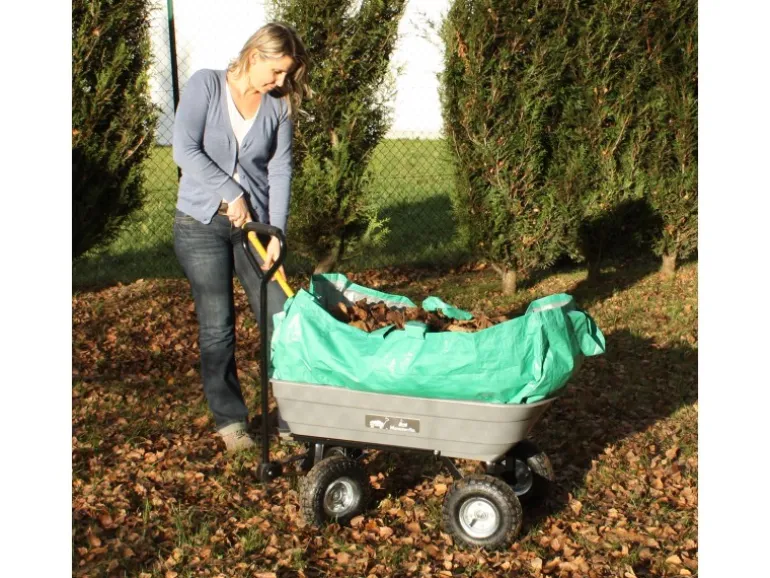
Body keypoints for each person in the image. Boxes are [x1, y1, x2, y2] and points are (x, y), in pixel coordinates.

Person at [172, 22, 310, 452]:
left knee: (279, 318)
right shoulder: (206, 86)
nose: (281, 81)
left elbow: (280, 169)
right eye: (277, 71)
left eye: (287, 74)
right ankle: (231, 422)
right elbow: (184, 149)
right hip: (201, 223)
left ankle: (293, 417)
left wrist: (276, 233)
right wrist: (231, 193)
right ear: (254, 57)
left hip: (256, 229)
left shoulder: (278, 105)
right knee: (217, 326)